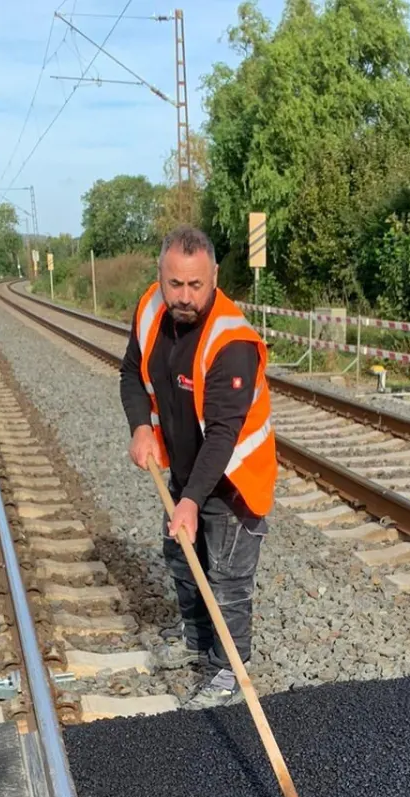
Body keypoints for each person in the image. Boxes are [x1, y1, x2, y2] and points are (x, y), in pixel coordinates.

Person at [120, 226, 277, 708]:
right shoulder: (150, 309)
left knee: (226, 580)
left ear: (214, 277)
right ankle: (192, 642)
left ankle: (228, 672)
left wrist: (190, 501)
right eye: (175, 284)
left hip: (233, 481)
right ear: (160, 277)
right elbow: (130, 372)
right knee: (182, 559)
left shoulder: (232, 342)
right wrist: (140, 426)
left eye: (195, 285)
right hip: (186, 469)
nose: (184, 297)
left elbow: (225, 437)